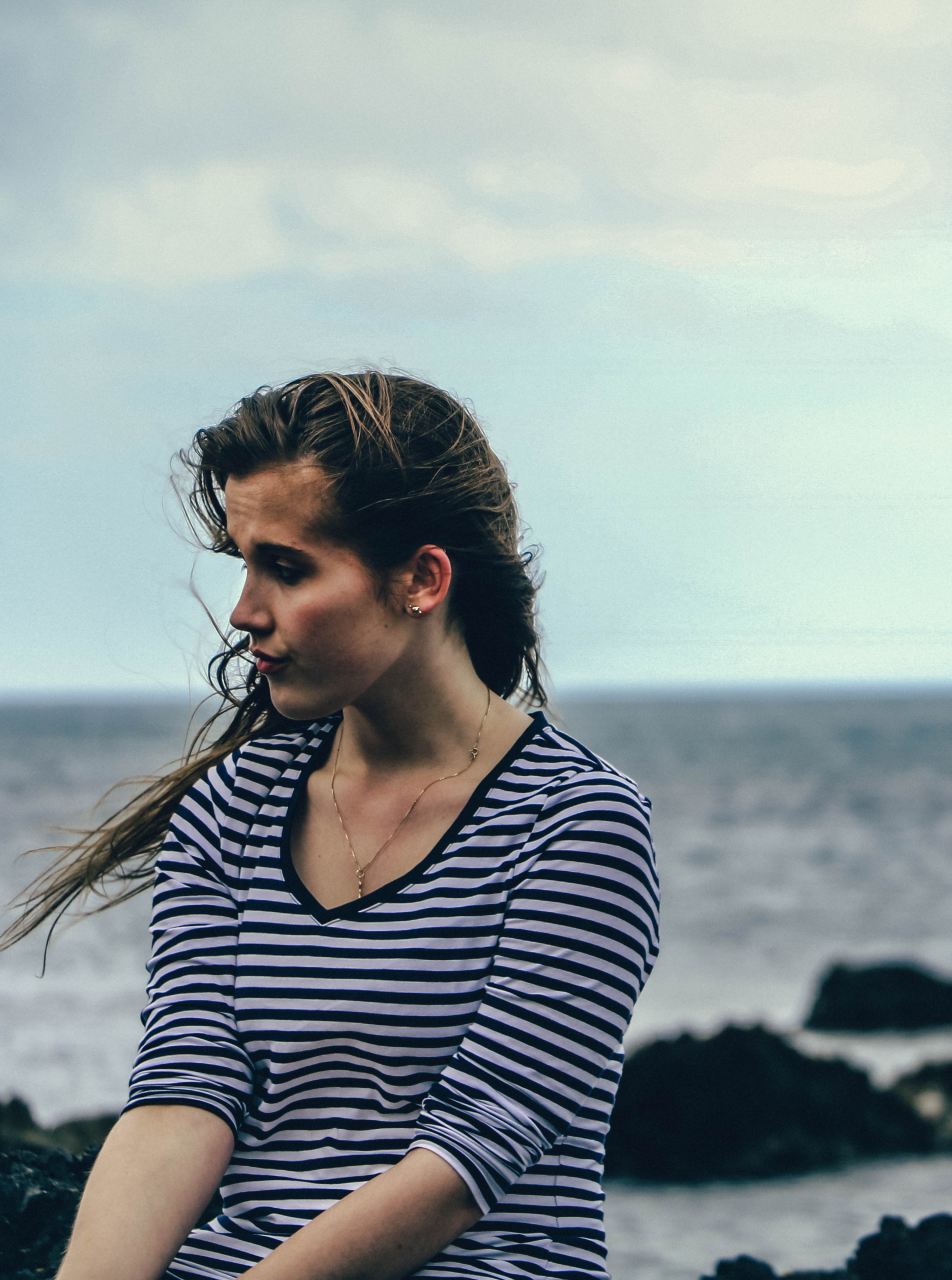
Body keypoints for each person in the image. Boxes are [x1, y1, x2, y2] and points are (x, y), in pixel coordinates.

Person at [6, 371, 661, 1280]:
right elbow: (184, 1095)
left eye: (286, 566)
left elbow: (469, 1155)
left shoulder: (576, 824)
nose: (244, 611)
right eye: (242, 563)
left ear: (422, 579)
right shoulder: (234, 807)